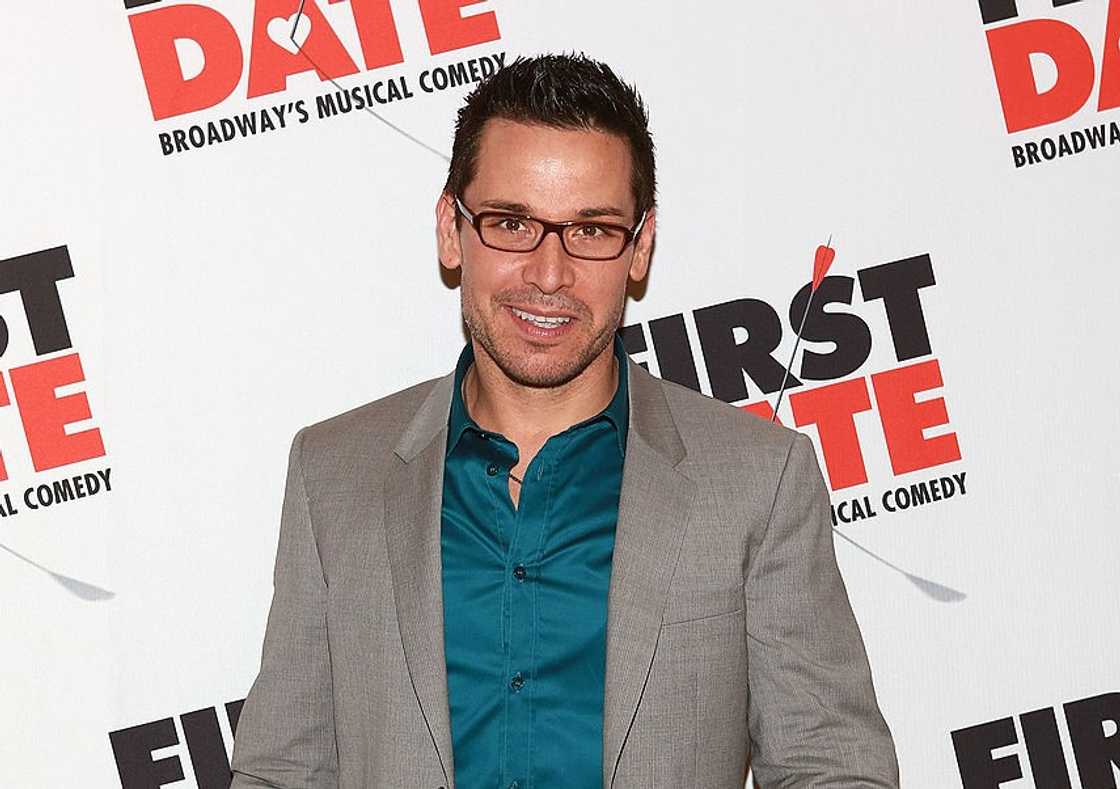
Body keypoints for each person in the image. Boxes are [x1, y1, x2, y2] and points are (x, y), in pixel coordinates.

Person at [229, 53, 900, 789]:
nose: (549, 274)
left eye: (591, 230)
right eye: (511, 222)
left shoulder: (757, 481)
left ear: (639, 246)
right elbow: (282, 770)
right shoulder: (333, 474)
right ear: (452, 230)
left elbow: (830, 765)